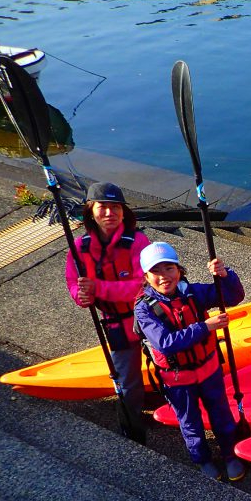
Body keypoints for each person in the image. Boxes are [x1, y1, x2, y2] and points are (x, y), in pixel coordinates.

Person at [133, 241, 246, 481]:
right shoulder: (144, 309)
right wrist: (206, 327)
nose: (164, 277)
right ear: (146, 277)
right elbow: (165, 342)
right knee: (190, 422)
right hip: (178, 380)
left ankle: (230, 454)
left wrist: (225, 275)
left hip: (209, 371)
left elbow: (233, 296)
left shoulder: (193, 293)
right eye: (156, 271)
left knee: (222, 415)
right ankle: (202, 459)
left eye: (169, 269)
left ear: (179, 270)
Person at [65, 181, 150, 439]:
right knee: (128, 382)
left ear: (124, 212)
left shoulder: (138, 241)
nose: (110, 213)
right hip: (116, 324)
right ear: (91, 210)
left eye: (116, 207)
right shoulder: (79, 248)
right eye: (103, 207)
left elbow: (142, 287)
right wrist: (81, 296)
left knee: (171, 363)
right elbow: (74, 283)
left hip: (147, 316)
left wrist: (98, 288)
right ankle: (133, 423)